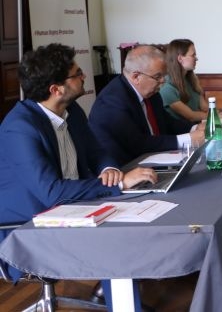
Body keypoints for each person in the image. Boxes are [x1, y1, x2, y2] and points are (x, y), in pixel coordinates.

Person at [0, 44, 156, 307]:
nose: (84, 76)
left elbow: (97, 152)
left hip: (71, 207)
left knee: (139, 214)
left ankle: (120, 299)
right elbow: (52, 193)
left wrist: (109, 170)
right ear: (56, 89)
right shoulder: (20, 128)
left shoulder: (72, 111)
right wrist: (119, 184)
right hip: (27, 227)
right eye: (77, 73)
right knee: (115, 238)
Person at [90, 44, 205, 167]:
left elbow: (167, 122)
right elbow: (138, 144)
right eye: (158, 77)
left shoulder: (151, 93)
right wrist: (188, 139)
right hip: (125, 168)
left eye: (164, 76)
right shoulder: (113, 102)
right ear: (136, 77)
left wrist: (194, 128)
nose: (163, 81)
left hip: (152, 161)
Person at [160, 39, 222, 126]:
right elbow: (192, 116)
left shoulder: (190, 80)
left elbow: (205, 108)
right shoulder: (167, 88)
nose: (196, 58)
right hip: (186, 132)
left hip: (199, 127)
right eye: (193, 55)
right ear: (180, 58)